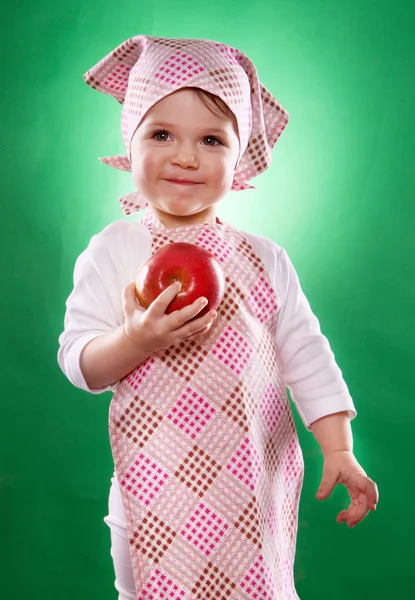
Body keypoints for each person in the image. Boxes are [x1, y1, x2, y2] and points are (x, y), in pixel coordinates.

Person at [58, 34, 379, 600]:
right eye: (161, 135)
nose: (186, 157)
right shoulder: (116, 249)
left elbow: (307, 357)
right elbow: (80, 363)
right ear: (129, 145)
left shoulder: (264, 259)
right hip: (150, 499)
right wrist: (135, 338)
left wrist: (339, 448)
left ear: (241, 155)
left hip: (250, 498)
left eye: (211, 139)